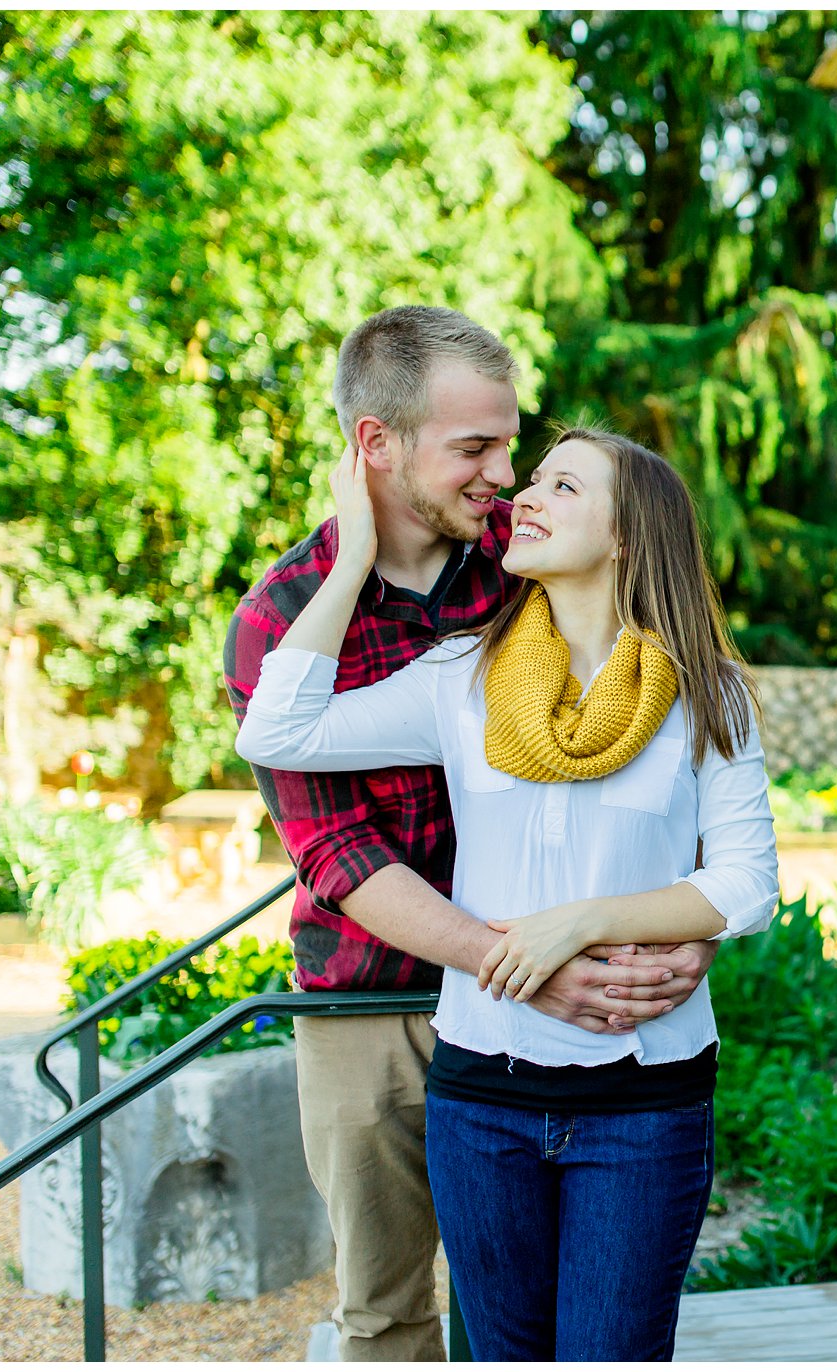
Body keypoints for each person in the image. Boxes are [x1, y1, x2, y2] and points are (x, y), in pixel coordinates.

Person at [223, 306, 720, 1361]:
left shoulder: (526, 559)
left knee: (529, 1315)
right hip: (373, 1001)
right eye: (476, 448)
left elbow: (663, 724)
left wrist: (693, 916)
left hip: (558, 1000)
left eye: (510, 442)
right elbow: (338, 856)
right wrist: (518, 964)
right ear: (377, 444)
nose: (506, 472)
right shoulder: (283, 616)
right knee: (388, 1312)